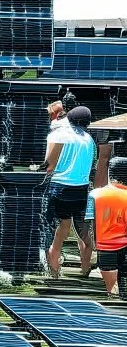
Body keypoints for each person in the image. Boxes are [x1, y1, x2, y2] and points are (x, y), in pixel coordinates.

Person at [44, 105, 96, 277]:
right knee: (81, 231)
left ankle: (53, 267)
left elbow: (49, 165)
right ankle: (85, 268)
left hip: (59, 186)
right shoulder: (89, 139)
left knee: (57, 228)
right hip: (81, 189)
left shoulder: (58, 135)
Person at [91, 157, 127, 296]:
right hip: (124, 249)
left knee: (112, 291)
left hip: (103, 249)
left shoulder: (94, 194)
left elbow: (87, 224)